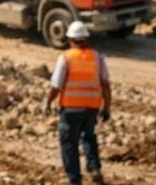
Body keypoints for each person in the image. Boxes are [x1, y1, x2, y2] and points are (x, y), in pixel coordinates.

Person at [44, 21, 112, 185]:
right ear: (86, 39)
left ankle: (74, 180)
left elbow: (56, 85)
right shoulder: (97, 57)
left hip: (71, 109)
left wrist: (47, 102)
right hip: (92, 108)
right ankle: (94, 167)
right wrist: (107, 107)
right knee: (89, 137)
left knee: (69, 143)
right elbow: (105, 83)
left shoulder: (66, 57)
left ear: (70, 40)